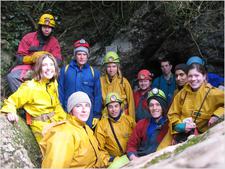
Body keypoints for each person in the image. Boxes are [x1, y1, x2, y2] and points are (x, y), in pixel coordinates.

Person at [1, 53, 67, 143]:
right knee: (60, 144)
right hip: (41, 126)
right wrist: (10, 111)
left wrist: (65, 119)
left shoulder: (52, 83)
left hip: (56, 121)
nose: (49, 68)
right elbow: (12, 101)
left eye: (51, 65)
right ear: (39, 68)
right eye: (44, 65)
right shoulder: (30, 87)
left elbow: (56, 105)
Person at [40, 91, 110, 168]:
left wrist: (108, 160)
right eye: (78, 106)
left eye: (87, 105)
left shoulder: (85, 128)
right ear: (71, 110)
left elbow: (95, 156)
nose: (84, 110)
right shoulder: (63, 133)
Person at [167, 63, 224, 144]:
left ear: (204, 76)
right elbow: (172, 114)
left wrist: (217, 115)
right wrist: (179, 126)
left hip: (203, 137)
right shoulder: (182, 93)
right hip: (179, 135)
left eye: (197, 75)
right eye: (190, 76)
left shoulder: (213, 93)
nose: (193, 79)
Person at [7, 13, 63, 93]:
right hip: (28, 67)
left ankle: (50, 98)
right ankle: (24, 100)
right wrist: (31, 58)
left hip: (46, 68)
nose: (47, 29)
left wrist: (46, 59)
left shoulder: (54, 42)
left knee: (60, 73)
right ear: (40, 27)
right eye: (44, 27)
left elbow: (58, 60)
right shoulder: (28, 37)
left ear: (52, 29)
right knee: (12, 76)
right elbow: (19, 57)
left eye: (49, 27)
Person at [58, 39, 102, 128]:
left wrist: (96, 114)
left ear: (88, 56)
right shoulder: (65, 70)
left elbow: (97, 95)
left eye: (84, 54)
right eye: (79, 54)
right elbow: (60, 92)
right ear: (75, 55)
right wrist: (61, 111)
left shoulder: (94, 72)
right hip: (68, 113)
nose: (82, 57)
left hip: (87, 115)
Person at [126, 88, 168, 160]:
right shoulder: (141, 124)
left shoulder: (169, 125)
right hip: (140, 158)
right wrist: (133, 157)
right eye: (151, 105)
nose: (154, 108)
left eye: (158, 104)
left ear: (163, 106)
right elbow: (131, 146)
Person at [95, 92, 136, 161]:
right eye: (110, 107)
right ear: (107, 109)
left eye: (116, 106)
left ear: (120, 107)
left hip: (132, 156)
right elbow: (99, 149)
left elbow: (138, 140)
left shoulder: (129, 121)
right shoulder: (101, 125)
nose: (114, 110)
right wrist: (111, 159)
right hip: (114, 161)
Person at [100, 51, 135, 120]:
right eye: (108, 67)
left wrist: (132, 120)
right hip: (106, 116)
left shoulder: (123, 82)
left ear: (117, 67)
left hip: (123, 116)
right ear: (105, 68)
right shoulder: (100, 81)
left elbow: (131, 102)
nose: (111, 69)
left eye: (114, 66)